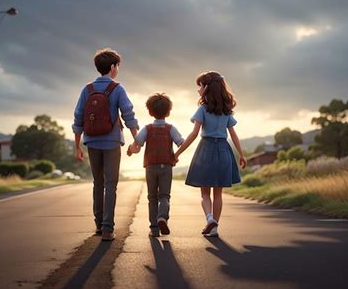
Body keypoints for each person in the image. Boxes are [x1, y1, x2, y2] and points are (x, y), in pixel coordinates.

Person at [72, 48, 139, 241]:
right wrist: (136, 140)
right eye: (117, 66)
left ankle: (99, 225)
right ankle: (108, 228)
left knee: (98, 183)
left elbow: (78, 118)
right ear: (113, 67)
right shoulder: (117, 88)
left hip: (92, 141)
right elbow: (128, 115)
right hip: (111, 142)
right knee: (111, 185)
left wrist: (77, 146)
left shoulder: (88, 89)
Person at [174, 71, 247, 237]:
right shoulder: (226, 110)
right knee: (218, 193)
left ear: (206, 87)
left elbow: (193, 134)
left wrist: (177, 153)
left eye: (199, 86)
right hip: (224, 151)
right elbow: (233, 134)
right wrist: (241, 155)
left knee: (205, 193)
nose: (197, 89)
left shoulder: (202, 109)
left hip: (206, 150)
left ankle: (209, 219)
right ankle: (214, 228)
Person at [127, 93, 184, 237]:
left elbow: (136, 145)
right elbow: (181, 143)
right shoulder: (171, 128)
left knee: (152, 197)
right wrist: (175, 156)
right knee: (164, 196)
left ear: (150, 111)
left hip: (151, 167)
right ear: (168, 111)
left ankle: (154, 228)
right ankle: (162, 217)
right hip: (166, 166)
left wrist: (129, 149)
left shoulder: (147, 129)